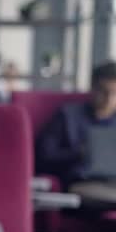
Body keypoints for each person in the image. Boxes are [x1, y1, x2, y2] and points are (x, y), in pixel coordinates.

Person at [36, 61, 116, 189]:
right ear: (93, 88)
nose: (109, 99)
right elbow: (43, 157)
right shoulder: (67, 116)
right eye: (104, 91)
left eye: (115, 93)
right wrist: (79, 154)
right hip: (84, 182)